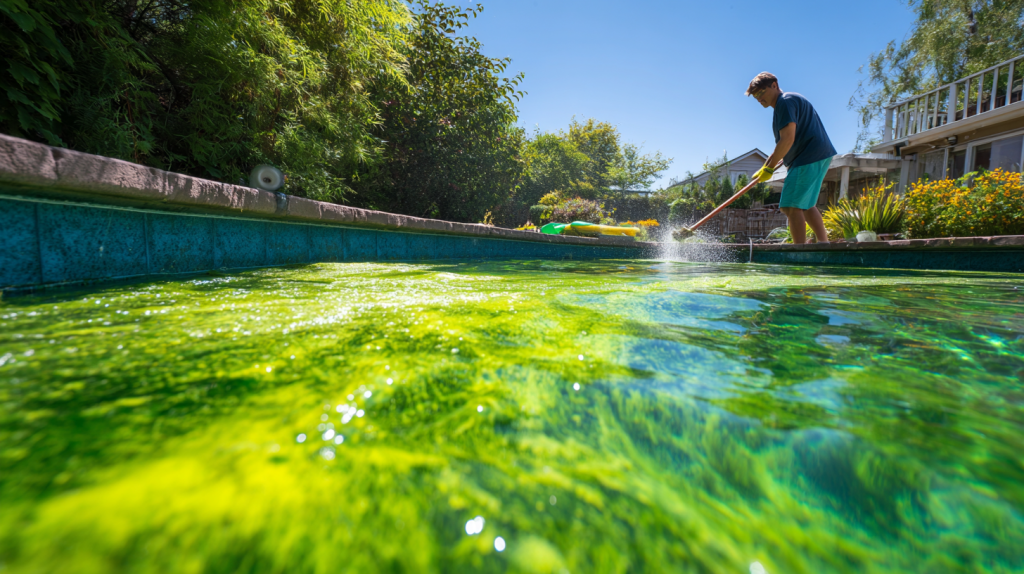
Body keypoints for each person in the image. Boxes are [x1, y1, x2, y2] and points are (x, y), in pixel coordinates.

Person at [747, 72, 836, 244]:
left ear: (774, 85)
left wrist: (769, 168)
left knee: (791, 206)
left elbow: (787, 139)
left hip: (808, 157)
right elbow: (783, 143)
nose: (759, 98)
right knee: (807, 205)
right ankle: (824, 245)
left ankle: (799, 252)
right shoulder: (789, 100)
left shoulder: (785, 102)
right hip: (818, 155)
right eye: (755, 96)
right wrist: (765, 167)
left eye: (761, 92)